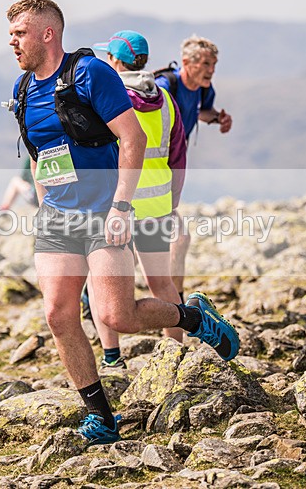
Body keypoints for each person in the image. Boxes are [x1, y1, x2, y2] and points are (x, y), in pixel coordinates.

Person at [7, 0, 239, 445]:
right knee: (58, 315)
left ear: (47, 34)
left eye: (19, 33)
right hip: (57, 220)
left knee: (118, 314)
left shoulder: (91, 74)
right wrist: (42, 212)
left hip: (102, 215)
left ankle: (193, 317)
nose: (12, 42)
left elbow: (130, 138)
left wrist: (121, 206)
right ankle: (100, 415)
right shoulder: (22, 89)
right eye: (11, 34)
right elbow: (39, 160)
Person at [87, 30, 188, 369]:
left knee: (101, 281)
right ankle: (175, 354)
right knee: (162, 282)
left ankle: (112, 357)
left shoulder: (109, 99)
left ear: (115, 61)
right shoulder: (167, 100)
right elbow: (178, 158)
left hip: (116, 205)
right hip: (157, 204)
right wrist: (171, 204)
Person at [155, 36, 233, 307]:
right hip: (153, 170)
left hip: (170, 167)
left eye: (214, 64)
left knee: (167, 235)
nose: (211, 70)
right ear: (186, 63)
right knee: (178, 236)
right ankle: (175, 304)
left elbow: (202, 110)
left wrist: (217, 118)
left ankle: (173, 302)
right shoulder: (165, 87)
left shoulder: (202, 89)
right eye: (206, 64)